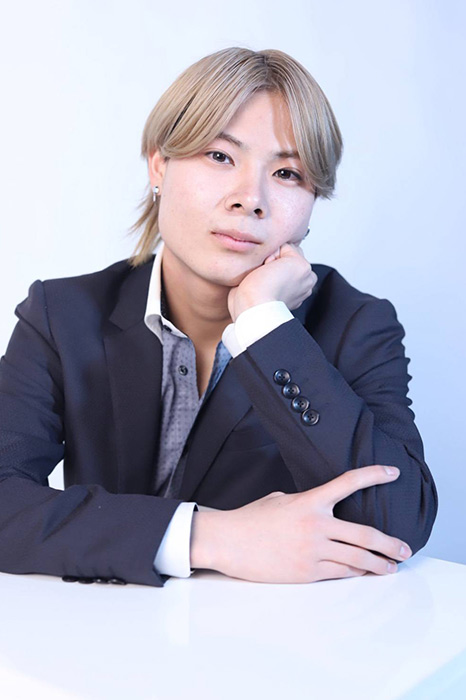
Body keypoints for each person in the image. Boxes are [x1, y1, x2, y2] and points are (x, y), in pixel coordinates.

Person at [0, 47, 437, 587]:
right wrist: (213, 536)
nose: (250, 199)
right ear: (159, 164)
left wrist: (264, 327)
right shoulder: (62, 315)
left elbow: (396, 522)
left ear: (312, 203)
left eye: (287, 172)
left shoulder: (355, 325)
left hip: (261, 636)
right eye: (220, 156)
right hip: (97, 632)